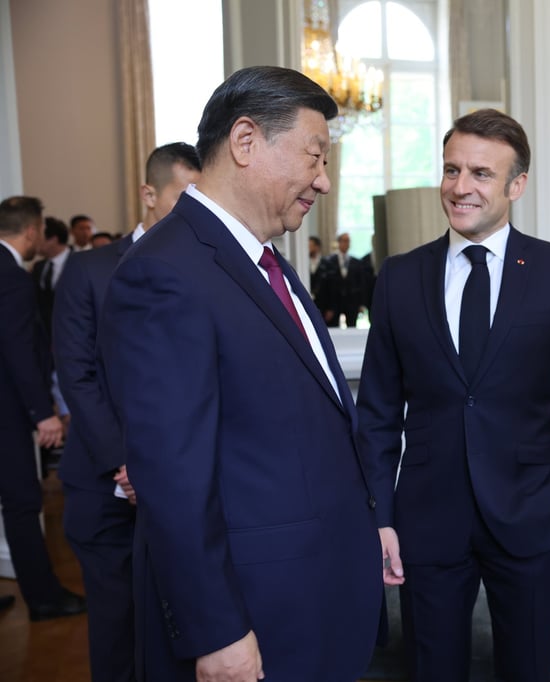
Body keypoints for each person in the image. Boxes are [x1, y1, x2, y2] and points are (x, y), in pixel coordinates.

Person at [98, 66, 381, 681]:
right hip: (252, 618)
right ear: (246, 141)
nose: (325, 182)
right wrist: (217, 630)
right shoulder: (166, 273)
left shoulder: (264, 265)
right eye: (315, 156)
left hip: (313, 598)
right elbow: (173, 478)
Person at [357, 108, 550, 681]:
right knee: (432, 668)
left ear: (516, 185)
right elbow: (375, 412)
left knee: (527, 668)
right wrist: (381, 516)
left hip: (532, 514)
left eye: (481, 173)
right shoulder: (399, 277)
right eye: (452, 170)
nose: (461, 187)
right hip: (427, 518)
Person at [53, 142, 201, 682]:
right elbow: (78, 375)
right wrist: (126, 462)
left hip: (181, 489)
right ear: (148, 194)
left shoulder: (200, 269)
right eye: (183, 197)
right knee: (117, 632)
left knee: (179, 626)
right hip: (106, 488)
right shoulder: (90, 270)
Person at [0, 195, 87, 621]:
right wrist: (43, 412)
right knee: (21, 504)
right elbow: (18, 350)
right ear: (32, 230)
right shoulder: (13, 278)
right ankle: (45, 599)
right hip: (7, 413)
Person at [31, 216, 71, 338]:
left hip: (69, 334)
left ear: (53, 239)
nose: (34, 242)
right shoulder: (38, 266)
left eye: (38, 238)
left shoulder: (80, 264)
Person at [325, 231, 366, 327]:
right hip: (335, 302)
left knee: (352, 326)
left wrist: (361, 304)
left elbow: (361, 283)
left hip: (352, 302)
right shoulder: (329, 261)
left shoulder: (357, 262)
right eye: (344, 241)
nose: (346, 243)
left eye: (348, 241)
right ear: (339, 242)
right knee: (333, 327)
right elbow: (326, 285)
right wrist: (327, 306)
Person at [308, 234, 338, 323]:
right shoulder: (304, 263)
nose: (308, 248)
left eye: (310, 245)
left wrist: (331, 308)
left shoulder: (328, 264)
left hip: (324, 305)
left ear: (317, 247)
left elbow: (332, 288)